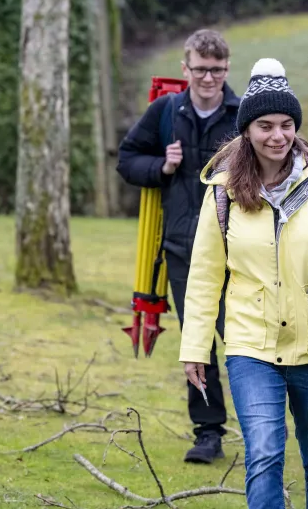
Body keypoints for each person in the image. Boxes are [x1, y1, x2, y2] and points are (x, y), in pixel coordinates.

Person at [179, 58, 308, 509]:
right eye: (265, 125)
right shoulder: (223, 192)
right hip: (251, 346)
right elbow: (205, 274)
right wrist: (195, 347)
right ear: (247, 130)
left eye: (286, 124)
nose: (277, 135)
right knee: (265, 454)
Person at [116, 29, 240, 464]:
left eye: (217, 70)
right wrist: (162, 166)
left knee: (244, 342)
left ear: (227, 69)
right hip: (185, 251)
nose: (209, 78)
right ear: (185, 69)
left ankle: (262, 426)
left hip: (239, 254)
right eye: (201, 69)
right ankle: (208, 433)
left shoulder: (243, 116)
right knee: (199, 343)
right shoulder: (166, 111)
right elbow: (127, 159)